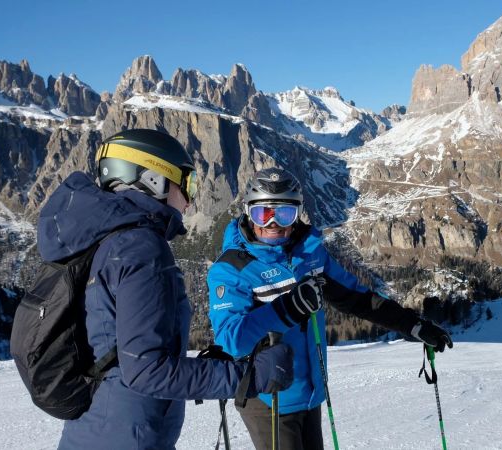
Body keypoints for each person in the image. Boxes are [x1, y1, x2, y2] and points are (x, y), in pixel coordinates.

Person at [37, 129, 294, 450]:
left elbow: (119, 347)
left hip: (98, 428)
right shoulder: (140, 247)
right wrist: (248, 377)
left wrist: (215, 365)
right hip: (127, 439)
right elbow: (146, 372)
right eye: (187, 183)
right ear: (153, 180)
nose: (190, 199)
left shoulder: (109, 239)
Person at [207, 167, 453, 449]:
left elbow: (357, 299)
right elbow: (230, 340)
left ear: (298, 214)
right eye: (264, 213)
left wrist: (412, 325)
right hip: (266, 396)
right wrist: (287, 308)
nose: (273, 222)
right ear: (249, 213)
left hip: (309, 392)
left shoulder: (310, 254)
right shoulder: (231, 269)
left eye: (284, 213)